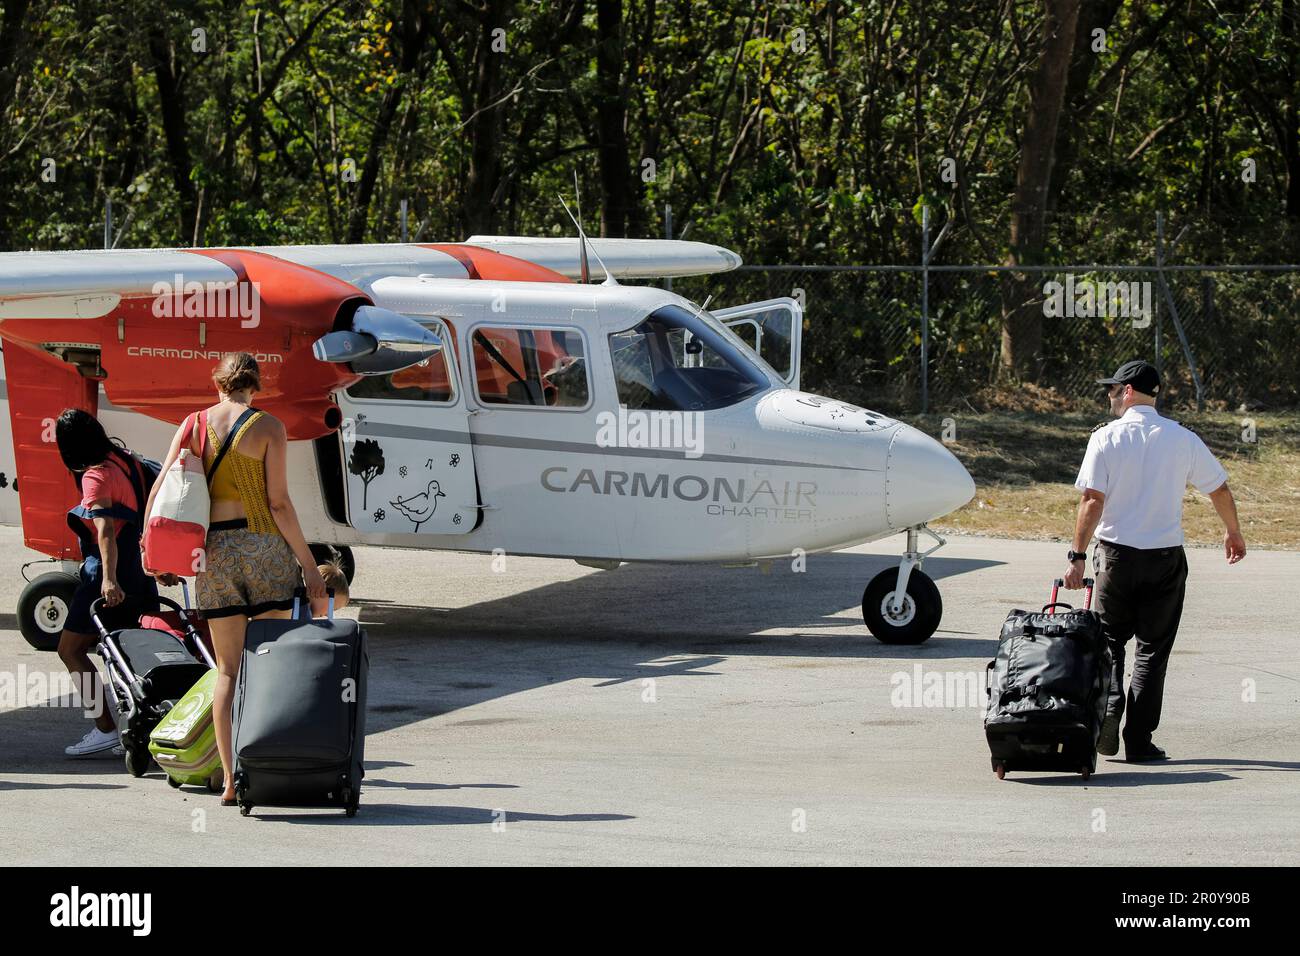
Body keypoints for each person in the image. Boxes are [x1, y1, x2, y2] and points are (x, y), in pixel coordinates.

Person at [143, 352, 326, 804]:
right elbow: (278, 503)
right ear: (255, 385)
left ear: (217, 382)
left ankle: (229, 779)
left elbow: (162, 489)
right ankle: (268, 765)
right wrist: (307, 563)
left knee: (226, 671)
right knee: (267, 666)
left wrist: (156, 555)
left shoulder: (192, 424)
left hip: (213, 556)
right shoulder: (268, 427)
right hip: (264, 550)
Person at [1063, 359, 1246, 762]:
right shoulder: (1182, 438)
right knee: (1153, 650)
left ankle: (1109, 710)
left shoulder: (1105, 438)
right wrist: (1233, 531)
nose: (1109, 396)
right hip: (1164, 559)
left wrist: (1076, 556)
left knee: (1110, 643)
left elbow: (1092, 500)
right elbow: (1218, 488)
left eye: (1112, 389)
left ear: (1128, 391)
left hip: (1115, 558)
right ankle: (1139, 740)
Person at [54, 409, 160, 756]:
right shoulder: (126, 460)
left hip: (108, 573)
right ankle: (144, 727)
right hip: (140, 571)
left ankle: (105, 729)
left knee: (69, 650)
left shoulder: (95, 475)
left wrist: (109, 579)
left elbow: (105, 531)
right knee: (128, 654)